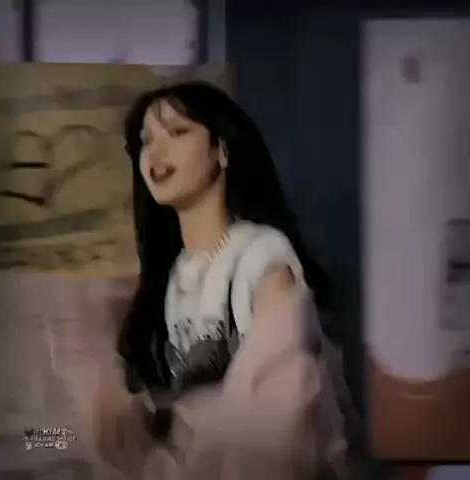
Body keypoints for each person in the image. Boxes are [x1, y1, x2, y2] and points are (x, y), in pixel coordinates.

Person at [93, 81, 347, 479]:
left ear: (222, 150)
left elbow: (275, 418)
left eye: (177, 132)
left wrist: (172, 434)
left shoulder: (260, 258)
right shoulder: (172, 278)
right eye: (146, 140)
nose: (155, 152)